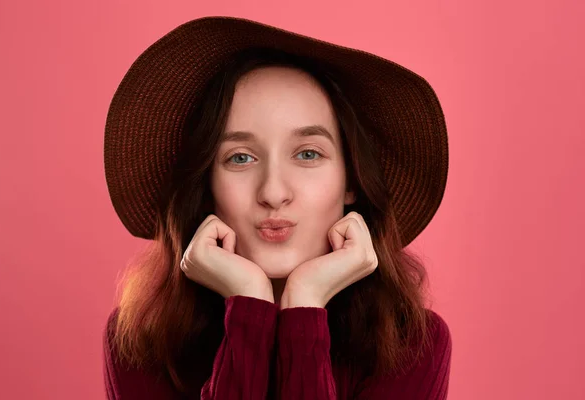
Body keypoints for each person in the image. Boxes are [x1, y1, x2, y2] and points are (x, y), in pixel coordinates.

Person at [102, 16, 451, 399]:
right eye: (240, 158)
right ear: (206, 184)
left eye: (307, 153)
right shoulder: (140, 344)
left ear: (351, 180)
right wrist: (249, 305)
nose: (273, 191)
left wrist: (304, 304)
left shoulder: (415, 347)